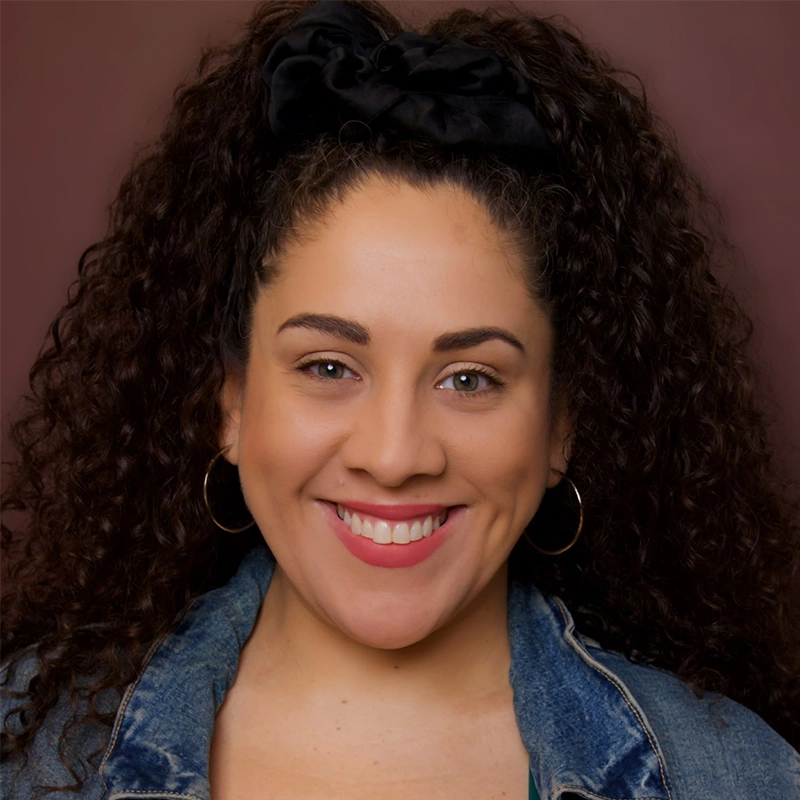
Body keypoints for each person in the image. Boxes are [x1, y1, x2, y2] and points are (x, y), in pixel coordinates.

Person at [2, 1, 799, 798]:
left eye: (469, 379)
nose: (393, 457)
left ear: (561, 426)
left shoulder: (743, 779)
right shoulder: (22, 751)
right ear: (230, 403)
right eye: (328, 367)